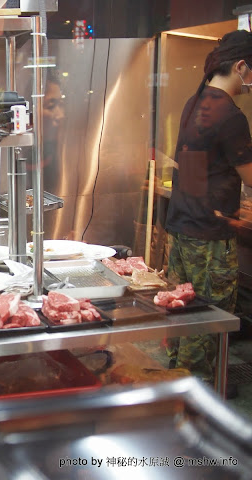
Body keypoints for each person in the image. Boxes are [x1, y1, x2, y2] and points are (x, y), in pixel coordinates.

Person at [164, 30, 252, 398]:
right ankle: (199, 395)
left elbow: (197, 171)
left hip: (184, 223)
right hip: (210, 235)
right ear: (242, 66)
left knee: (183, 309)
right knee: (209, 316)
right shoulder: (230, 115)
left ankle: (176, 379)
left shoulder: (196, 101)